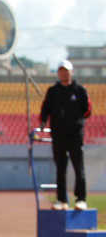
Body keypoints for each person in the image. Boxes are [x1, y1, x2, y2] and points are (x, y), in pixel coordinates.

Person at [40, 59, 92, 211]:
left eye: (66, 70)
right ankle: (62, 200)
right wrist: (43, 122)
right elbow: (45, 109)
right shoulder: (53, 91)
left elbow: (87, 110)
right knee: (60, 168)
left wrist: (76, 122)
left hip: (75, 135)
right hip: (58, 135)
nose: (63, 73)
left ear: (71, 72)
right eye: (61, 70)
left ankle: (81, 199)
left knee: (78, 168)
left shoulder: (79, 90)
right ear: (58, 73)